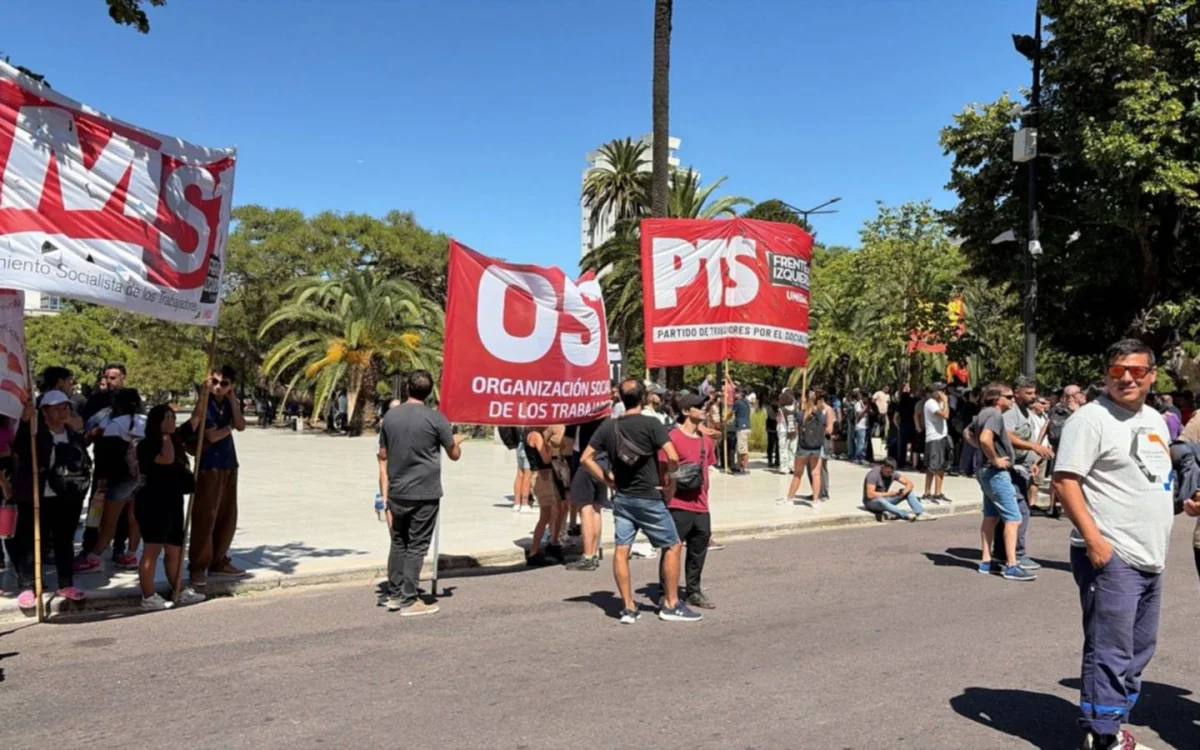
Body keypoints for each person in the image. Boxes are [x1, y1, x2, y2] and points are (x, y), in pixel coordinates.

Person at [1052, 340, 1176, 750]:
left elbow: (1152, 477)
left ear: (1152, 375)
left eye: (1137, 371)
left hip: (1150, 554)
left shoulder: (1156, 420)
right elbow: (1064, 482)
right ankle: (1103, 734)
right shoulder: (1090, 419)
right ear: (1106, 375)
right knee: (1110, 648)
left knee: (1139, 647)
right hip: (1112, 552)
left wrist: (1183, 502)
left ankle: (1114, 724)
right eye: (1117, 370)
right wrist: (1095, 542)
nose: (1126, 378)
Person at [580, 378, 701, 624]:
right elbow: (672, 456)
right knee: (673, 545)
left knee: (622, 549)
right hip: (648, 498)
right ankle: (671, 603)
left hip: (622, 498)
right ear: (644, 398)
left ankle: (628, 606)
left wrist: (608, 480)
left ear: (621, 399)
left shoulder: (609, 427)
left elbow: (585, 459)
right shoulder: (651, 424)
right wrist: (670, 479)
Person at [377, 369, 464, 615]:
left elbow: (382, 454)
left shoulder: (390, 417)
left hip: (398, 490)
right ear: (429, 392)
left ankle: (395, 594)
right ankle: (409, 599)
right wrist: (456, 441)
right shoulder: (436, 419)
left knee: (398, 542)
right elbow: (454, 455)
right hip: (425, 492)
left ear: (407, 388)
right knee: (417, 545)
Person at [5, 391, 93, 609]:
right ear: (44, 411)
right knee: (31, 542)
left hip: (66, 498)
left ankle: (66, 583)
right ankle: (28, 585)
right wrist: (26, 422)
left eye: (66, 407)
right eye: (57, 408)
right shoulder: (34, 434)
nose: (63, 412)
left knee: (64, 541)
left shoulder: (72, 435)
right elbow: (21, 450)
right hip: (37, 497)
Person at [136, 404, 205, 610]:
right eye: (166, 418)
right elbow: (166, 459)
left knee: (174, 549)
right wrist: (165, 436)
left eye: (173, 418)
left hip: (173, 500)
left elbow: (196, 419)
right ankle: (148, 596)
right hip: (153, 502)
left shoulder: (177, 438)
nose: (171, 422)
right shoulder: (146, 445)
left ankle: (178, 589)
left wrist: (204, 394)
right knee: (152, 549)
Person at [187, 366, 248, 590]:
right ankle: (198, 566)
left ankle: (219, 560)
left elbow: (241, 425)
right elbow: (210, 434)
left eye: (224, 383)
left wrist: (233, 401)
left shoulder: (230, 403)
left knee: (227, 515)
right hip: (208, 465)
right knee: (205, 516)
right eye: (215, 382)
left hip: (229, 463)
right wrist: (228, 428)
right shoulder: (206, 402)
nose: (218, 387)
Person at [968, 383, 1036, 581]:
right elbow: (985, 438)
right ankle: (1012, 565)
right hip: (995, 472)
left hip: (984, 471)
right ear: (997, 399)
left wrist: (983, 452)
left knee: (991, 517)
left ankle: (986, 561)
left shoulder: (982, 413)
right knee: (1014, 518)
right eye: (1008, 397)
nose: (1012, 400)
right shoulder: (995, 415)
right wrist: (995, 458)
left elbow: (968, 433)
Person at [74, 388, 145, 573]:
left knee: (109, 520)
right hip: (142, 478)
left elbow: (110, 456)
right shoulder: (144, 422)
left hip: (120, 478)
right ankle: (131, 554)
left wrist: (103, 478)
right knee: (135, 517)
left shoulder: (115, 425)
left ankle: (95, 557)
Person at [662, 394, 718, 609]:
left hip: (701, 505)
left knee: (698, 550)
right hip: (678, 504)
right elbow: (662, 470)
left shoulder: (706, 440)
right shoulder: (672, 438)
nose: (703, 409)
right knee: (671, 550)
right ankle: (666, 591)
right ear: (685, 411)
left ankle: (693, 590)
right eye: (698, 406)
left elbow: (707, 469)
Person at [998, 376, 1053, 572]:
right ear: (1017, 392)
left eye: (1034, 393)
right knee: (1018, 513)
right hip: (1011, 470)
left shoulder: (1025, 412)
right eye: (1028, 393)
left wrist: (1033, 461)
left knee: (1017, 513)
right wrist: (1034, 447)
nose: (1033, 396)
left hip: (1023, 468)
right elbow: (1008, 436)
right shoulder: (1011, 412)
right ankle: (1015, 554)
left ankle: (1004, 553)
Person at [523, 425, 568, 566]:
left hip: (543, 475)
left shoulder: (529, 433)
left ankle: (549, 545)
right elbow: (546, 459)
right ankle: (533, 552)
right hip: (541, 476)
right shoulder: (536, 436)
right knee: (545, 515)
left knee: (552, 512)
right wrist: (550, 445)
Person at [565, 445, 609, 571]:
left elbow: (566, 442)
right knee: (596, 509)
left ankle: (588, 556)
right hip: (602, 464)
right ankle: (593, 553)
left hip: (586, 464)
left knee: (586, 509)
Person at [783, 390, 827, 507]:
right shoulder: (821, 415)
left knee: (798, 474)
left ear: (805, 400)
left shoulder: (801, 415)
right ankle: (815, 501)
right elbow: (824, 429)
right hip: (816, 447)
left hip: (803, 446)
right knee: (816, 474)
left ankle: (790, 498)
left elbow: (797, 428)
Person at [862, 458, 937, 522]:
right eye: (888, 472)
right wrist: (888, 494)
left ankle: (920, 513)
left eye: (891, 472)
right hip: (871, 502)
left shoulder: (892, 473)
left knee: (909, 492)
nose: (890, 474)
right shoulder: (873, 475)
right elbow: (870, 494)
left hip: (885, 498)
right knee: (881, 501)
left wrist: (905, 491)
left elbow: (909, 483)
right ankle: (905, 515)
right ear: (882, 467)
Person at [921, 383, 952, 502]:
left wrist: (944, 402)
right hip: (934, 438)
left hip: (942, 436)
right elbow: (945, 415)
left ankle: (938, 492)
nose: (944, 392)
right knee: (932, 466)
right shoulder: (930, 403)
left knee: (941, 465)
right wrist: (946, 402)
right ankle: (927, 492)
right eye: (941, 390)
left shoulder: (940, 403)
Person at [732, 387, 751, 475]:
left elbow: (731, 413)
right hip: (747, 427)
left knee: (742, 450)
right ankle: (738, 466)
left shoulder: (738, 403)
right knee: (740, 448)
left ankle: (745, 468)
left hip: (742, 427)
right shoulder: (746, 401)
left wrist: (725, 419)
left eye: (735, 393)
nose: (733, 395)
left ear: (739, 394)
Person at [777, 388, 797, 474]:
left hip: (783, 431)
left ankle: (784, 468)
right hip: (794, 431)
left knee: (783, 449)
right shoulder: (796, 407)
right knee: (792, 450)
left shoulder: (781, 410)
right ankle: (792, 466)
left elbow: (779, 422)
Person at [850, 389, 870, 465]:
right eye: (866, 397)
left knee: (864, 443)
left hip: (866, 426)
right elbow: (859, 414)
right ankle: (859, 458)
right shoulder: (858, 404)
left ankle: (862, 457)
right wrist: (866, 408)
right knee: (860, 443)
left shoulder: (866, 404)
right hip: (860, 426)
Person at [765, 395, 780, 469]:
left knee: (778, 446)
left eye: (776, 401)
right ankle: (770, 460)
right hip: (771, 429)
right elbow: (772, 417)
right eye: (774, 401)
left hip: (778, 429)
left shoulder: (779, 408)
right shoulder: (769, 408)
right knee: (770, 445)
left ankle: (777, 460)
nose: (775, 402)